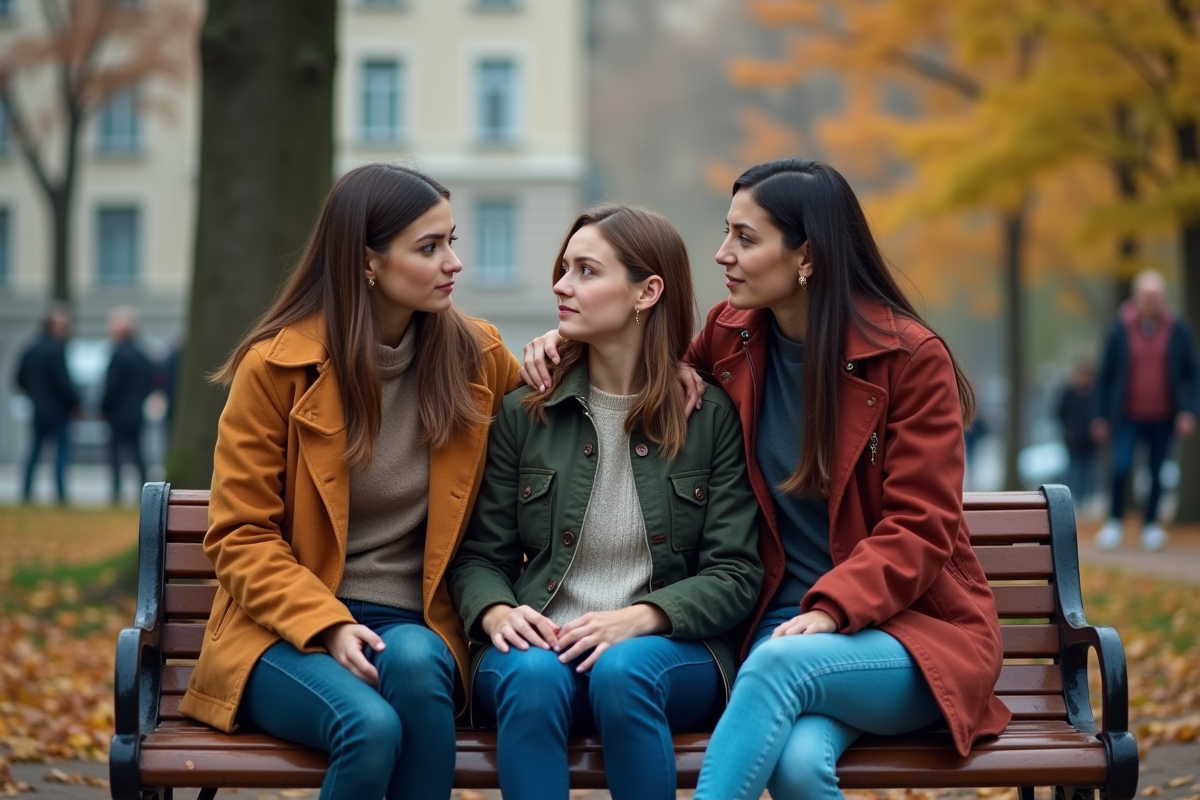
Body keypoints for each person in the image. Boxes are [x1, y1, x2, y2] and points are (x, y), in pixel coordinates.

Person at [520, 159, 1009, 800]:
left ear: (806, 255)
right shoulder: (732, 336)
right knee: (798, 767)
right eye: (727, 232)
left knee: (779, 668)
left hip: (906, 634)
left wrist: (834, 609)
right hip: (781, 629)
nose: (723, 254)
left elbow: (922, 528)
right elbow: (644, 362)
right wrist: (561, 344)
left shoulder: (909, 360)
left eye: (745, 239)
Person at [178, 164, 521, 800]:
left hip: (413, 624)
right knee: (367, 727)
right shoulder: (277, 367)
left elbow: (562, 410)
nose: (453, 263)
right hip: (283, 632)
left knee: (417, 666)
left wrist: (583, 352)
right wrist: (328, 624)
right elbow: (239, 535)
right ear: (368, 262)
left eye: (452, 242)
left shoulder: (476, 356)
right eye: (429, 247)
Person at [449, 205, 762, 800]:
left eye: (586, 271)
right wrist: (496, 614)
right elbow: (478, 557)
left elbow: (736, 573)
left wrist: (640, 619)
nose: (561, 286)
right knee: (535, 678)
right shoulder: (524, 413)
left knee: (625, 670)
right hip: (538, 652)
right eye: (564, 269)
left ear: (647, 292)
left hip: (667, 655)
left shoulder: (710, 418)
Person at [1092, 270, 1200, 551]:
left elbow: (1193, 372)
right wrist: (1100, 415)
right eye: (1146, 295)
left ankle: (1150, 524)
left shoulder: (1178, 329)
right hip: (1127, 416)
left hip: (1164, 416)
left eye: (1156, 295)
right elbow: (1105, 374)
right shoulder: (1119, 329)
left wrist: (1189, 411)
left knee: (1157, 471)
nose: (1151, 301)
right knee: (1121, 466)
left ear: (1163, 298)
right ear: (1136, 297)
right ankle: (1115, 521)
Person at [15, 305, 78, 504]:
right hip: (58, 411)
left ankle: (26, 492)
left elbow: (18, 379)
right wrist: (74, 403)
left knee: (33, 452)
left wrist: (35, 395)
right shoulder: (56, 350)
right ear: (55, 326)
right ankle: (60, 495)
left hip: (38, 410)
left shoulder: (30, 348)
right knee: (60, 455)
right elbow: (63, 383)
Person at [100, 307, 156, 504]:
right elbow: (152, 381)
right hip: (136, 412)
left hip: (117, 414)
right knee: (139, 454)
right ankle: (145, 491)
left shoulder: (118, 355)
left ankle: (116, 492)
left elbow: (111, 386)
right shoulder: (142, 354)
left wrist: (103, 408)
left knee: (116, 455)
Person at [1057, 362, 1098, 511]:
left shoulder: (1094, 394)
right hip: (1073, 440)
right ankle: (1072, 497)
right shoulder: (1069, 394)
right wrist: (1069, 430)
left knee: (1089, 470)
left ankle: (1086, 498)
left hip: (1089, 441)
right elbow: (1060, 413)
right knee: (1073, 469)